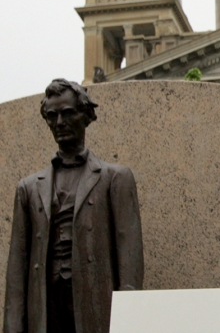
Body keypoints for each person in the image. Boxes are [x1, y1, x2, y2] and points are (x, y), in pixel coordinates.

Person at [5, 79, 144, 333]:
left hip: (96, 302)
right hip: (46, 306)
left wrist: (129, 321)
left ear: (86, 114)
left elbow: (129, 259)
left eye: (68, 113)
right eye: (52, 116)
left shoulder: (115, 178)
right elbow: (16, 273)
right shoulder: (28, 188)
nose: (59, 123)